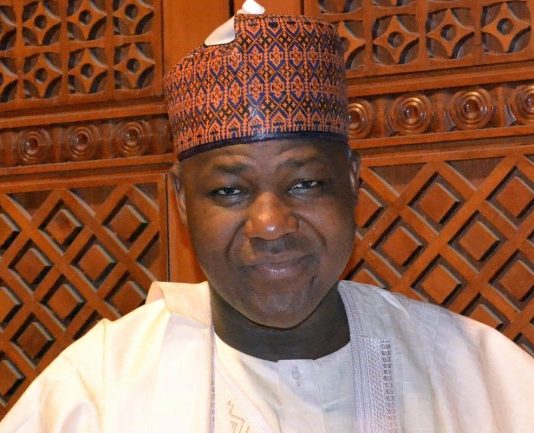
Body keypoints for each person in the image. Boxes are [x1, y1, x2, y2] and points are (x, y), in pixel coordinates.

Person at [1, 1, 533, 432]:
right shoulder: (93, 396)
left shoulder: (485, 381)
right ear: (182, 201)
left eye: (305, 184)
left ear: (352, 181)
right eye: (229, 191)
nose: (272, 223)